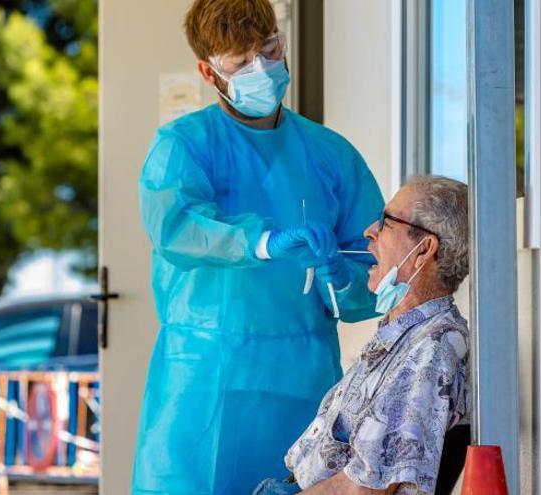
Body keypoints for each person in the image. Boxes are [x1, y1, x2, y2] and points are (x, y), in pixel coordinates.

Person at [132, 0, 385, 493]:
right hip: (205, 382)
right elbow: (177, 228)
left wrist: (345, 278)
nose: (260, 70)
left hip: (302, 377)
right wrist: (262, 242)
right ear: (208, 71)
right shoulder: (184, 145)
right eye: (239, 63)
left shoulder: (331, 155)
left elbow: (378, 266)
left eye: (269, 51)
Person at [253, 176, 471, 495]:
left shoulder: (432, 348)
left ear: (424, 249)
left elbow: (365, 489)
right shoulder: (403, 335)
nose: (369, 231)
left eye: (386, 222)